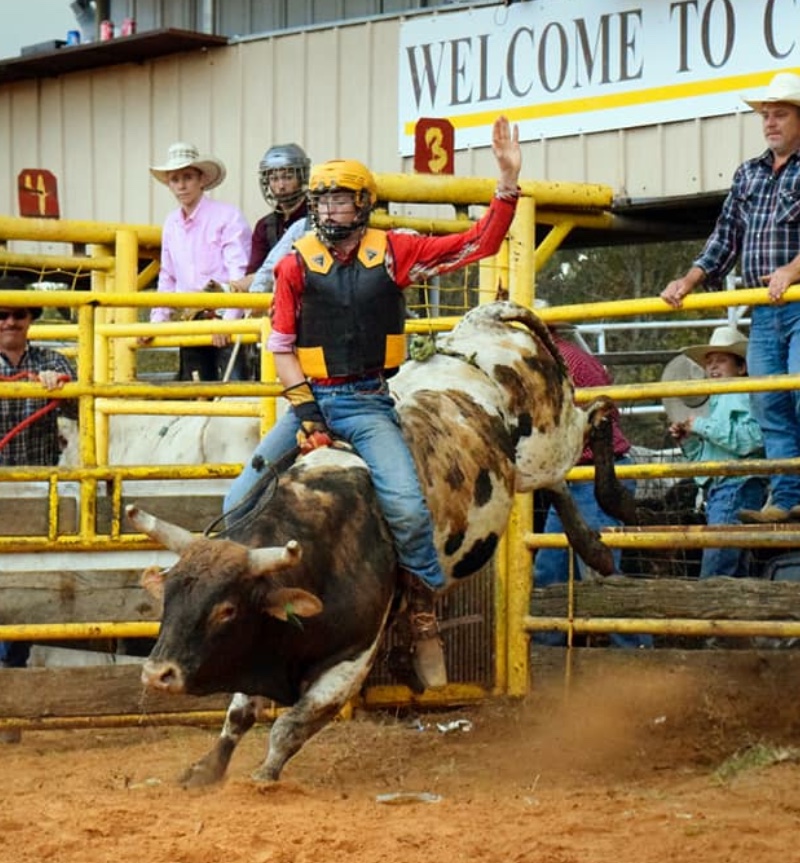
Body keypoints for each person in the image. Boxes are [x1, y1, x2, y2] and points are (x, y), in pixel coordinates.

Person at [224, 115, 522, 690]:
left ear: (363, 205)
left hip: (366, 403)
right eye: (324, 201)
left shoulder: (396, 253)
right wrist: (307, 415)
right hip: (311, 402)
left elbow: (479, 242)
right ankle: (255, 617)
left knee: (408, 509)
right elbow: (281, 346)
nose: (332, 210)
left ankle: (423, 613)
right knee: (238, 503)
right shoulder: (293, 264)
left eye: (342, 201)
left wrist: (505, 184)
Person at [661, 71, 800, 524]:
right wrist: (688, 281)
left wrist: (793, 270)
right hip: (766, 307)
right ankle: (786, 496)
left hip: (795, 299)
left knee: (796, 395)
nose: (770, 123)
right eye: (766, 114)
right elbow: (724, 239)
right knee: (768, 403)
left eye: (780, 114)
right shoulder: (749, 173)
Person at [532, 315, 652, 649]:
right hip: (581, 473)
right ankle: (543, 653)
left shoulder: (553, 362)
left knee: (597, 569)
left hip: (591, 470)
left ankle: (637, 654)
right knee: (554, 567)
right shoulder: (563, 355)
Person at [0, 276, 77, 741]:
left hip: (36, 491)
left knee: (23, 588)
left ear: (31, 319)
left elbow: (82, 412)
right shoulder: (46, 360)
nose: (10, 322)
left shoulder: (52, 361)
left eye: (19, 314)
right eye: (2, 315)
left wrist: (61, 388)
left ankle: (12, 687)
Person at [142, 141, 253, 382]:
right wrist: (157, 321)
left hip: (222, 314)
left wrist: (228, 322)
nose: (181, 185)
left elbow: (239, 272)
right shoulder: (171, 223)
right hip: (190, 318)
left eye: (188, 177)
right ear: (170, 184)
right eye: (175, 179)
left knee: (234, 394)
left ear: (201, 180)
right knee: (197, 390)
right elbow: (168, 276)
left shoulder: (228, 216)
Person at [669, 326, 767, 577]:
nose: (713, 367)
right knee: (732, 561)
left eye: (721, 360)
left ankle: (708, 611)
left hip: (736, 483)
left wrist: (701, 426)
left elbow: (751, 440)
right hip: (722, 486)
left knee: (718, 560)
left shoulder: (743, 395)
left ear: (741, 368)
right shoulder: (713, 401)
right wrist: (689, 441)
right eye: (709, 362)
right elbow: (707, 454)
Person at [230, 143, 311, 294]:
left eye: (287, 177)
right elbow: (256, 275)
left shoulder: (316, 217)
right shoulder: (264, 226)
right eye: (274, 179)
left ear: (301, 178)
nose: (281, 185)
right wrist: (231, 288)